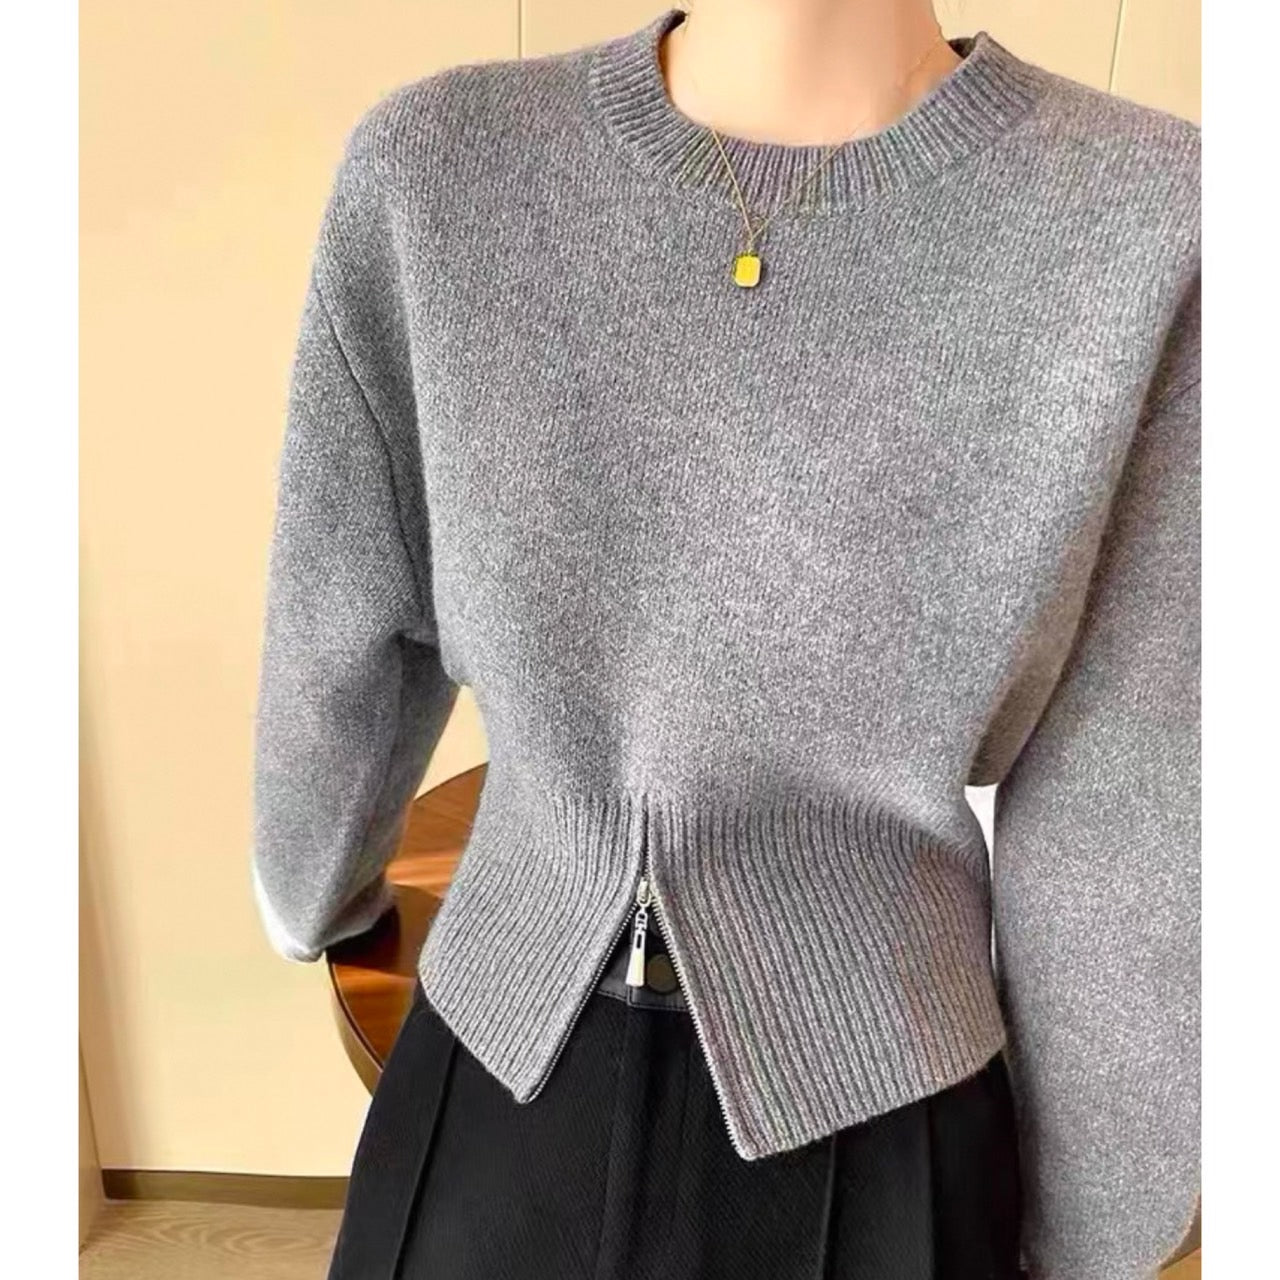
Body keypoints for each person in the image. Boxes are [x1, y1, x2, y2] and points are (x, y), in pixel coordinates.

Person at [250, 4, 1200, 1278]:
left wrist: (312, 886)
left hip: (800, 1107)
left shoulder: (1158, 221)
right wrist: (1088, 1234)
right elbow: (1125, 812)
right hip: (629, 1072)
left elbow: (1132, 802)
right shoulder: (431, 173)